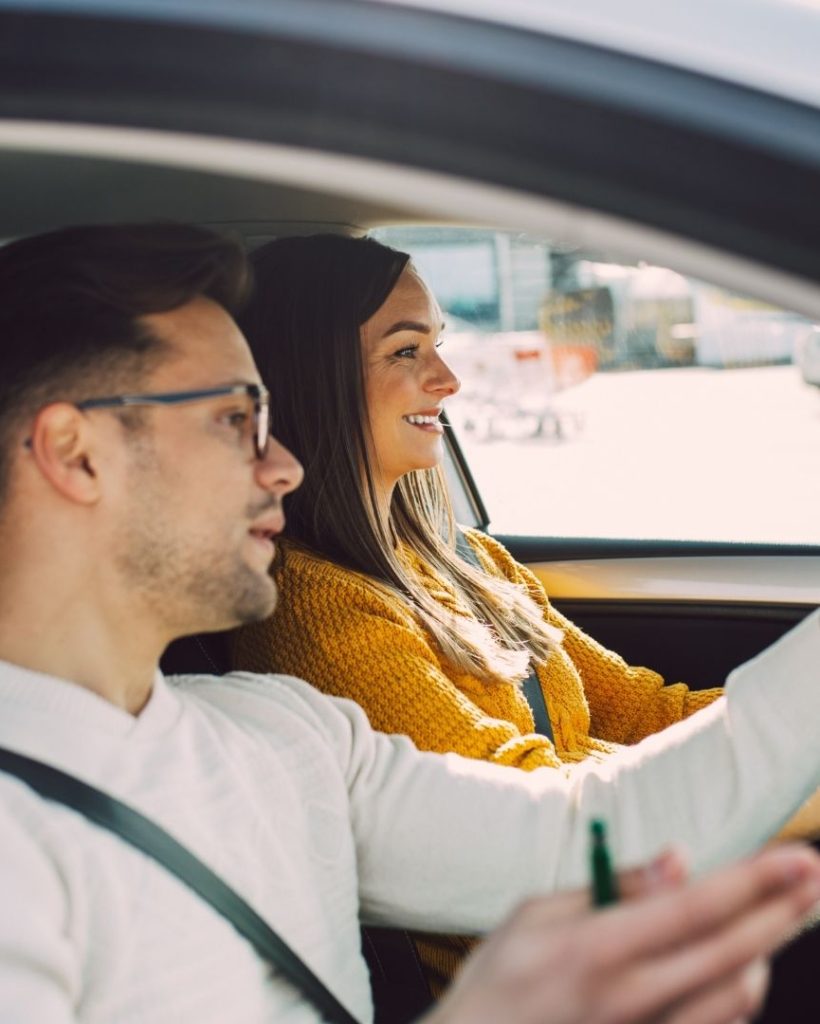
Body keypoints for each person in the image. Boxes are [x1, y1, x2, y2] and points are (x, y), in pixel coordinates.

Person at [2, 223, 820, 1024]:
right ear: (76, 454)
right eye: (233, 420)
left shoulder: (290, 738)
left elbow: (590, 828)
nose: (281, 462)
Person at [231, 233, 820, 988]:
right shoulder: (320, 618)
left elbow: (643, 709)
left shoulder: (470, 561)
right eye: (406, 352)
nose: (448, 380)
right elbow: (533, 818)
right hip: (560, 973)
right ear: (311, 377)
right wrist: (780, 791)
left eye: (438, 345)